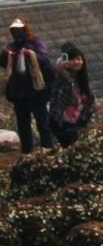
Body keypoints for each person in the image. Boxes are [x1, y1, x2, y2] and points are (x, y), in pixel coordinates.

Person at [1, 18, 54, 153]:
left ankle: (48, 149)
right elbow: (3, 61)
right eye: (13, 31)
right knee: (23, 124)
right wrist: (8, 54)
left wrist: (30, 53)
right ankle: (27, 151)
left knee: (42, 122)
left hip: (36, 90)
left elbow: (45, 61)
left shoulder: (36, 43)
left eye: (18, 30)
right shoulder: (12, 47)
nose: (16, 33)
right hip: (19, 92)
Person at [50, 43, 95, 146]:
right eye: (72, 59)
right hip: (61, 122)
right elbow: (58, 95)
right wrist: (60, 71)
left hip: (79, 122)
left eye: (79, 59)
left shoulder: (83, 81)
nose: (76, 62)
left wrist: (83, 121)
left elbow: (90, 102)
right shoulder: (62, 78)